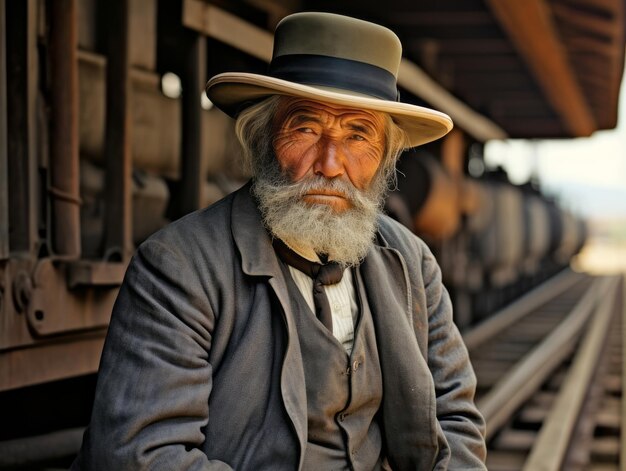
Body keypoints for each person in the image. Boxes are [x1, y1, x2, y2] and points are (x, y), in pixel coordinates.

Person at [73, 11, 487, 470]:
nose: (330, 164)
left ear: (385, 160)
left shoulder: (411, 263)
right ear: (265, 137)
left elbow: (456, 421)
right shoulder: (178, 266)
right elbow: (140, 455)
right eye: (307, 128)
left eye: (357, 136)